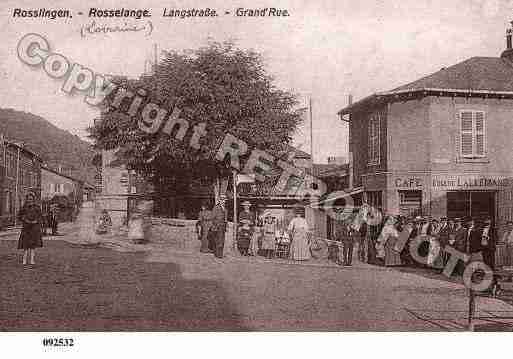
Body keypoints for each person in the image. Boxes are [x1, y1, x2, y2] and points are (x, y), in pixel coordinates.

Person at [17, 192, 43, 265]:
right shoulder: (24, 207)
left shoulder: (37, 207)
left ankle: (32, 259)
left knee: (33, 245)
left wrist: (36, 221)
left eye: (31, 199)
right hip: (26, 227)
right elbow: (19, 216)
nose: (30, 200)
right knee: (25, 244)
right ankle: (24, 259)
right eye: (28, 199)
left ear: (33, 199)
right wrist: (24, 219)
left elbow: (40, 217)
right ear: (27, 199)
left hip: (34, 228)